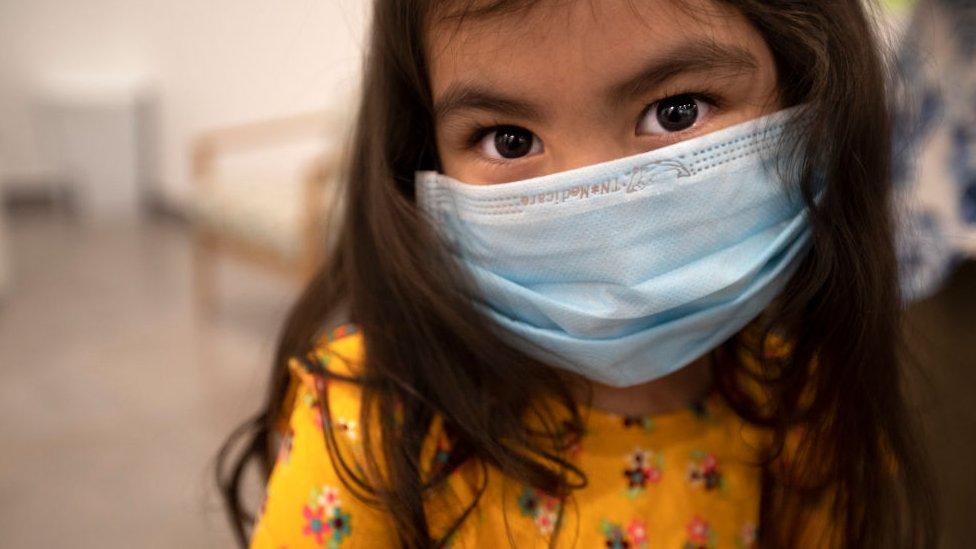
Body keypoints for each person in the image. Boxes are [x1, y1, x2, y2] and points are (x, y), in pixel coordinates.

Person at [219, 0, 939, 547]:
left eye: (676, 111)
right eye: (510, 140)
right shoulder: (368, 420)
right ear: (423, 155)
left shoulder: (803, 402)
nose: (596, 204)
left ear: (811, 96)